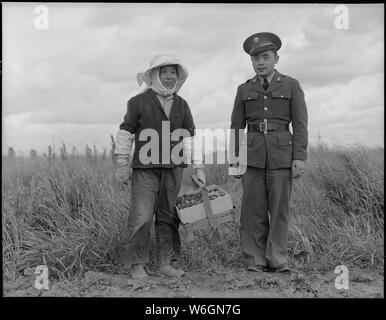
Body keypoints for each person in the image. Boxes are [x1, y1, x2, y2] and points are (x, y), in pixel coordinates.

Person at [114, 54, 205, 279]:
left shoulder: (182, 105)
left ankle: (164, 263)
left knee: (167, 216)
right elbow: (125, 133)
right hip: (145, 168)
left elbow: (190, 139)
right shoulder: (138, 102)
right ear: (154, 75)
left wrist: (198, 168)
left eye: (172, 72)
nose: (168, 77)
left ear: (177, 76)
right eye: (163, 72)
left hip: (174, 168)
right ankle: (137, 264)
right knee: (142, 216)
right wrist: (122, 164)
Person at [229, 32, 308, 273]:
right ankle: (255, 260)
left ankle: (277, 258)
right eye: (256, 59)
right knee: (252, 211)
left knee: (279, 210)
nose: (260, 63)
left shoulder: (291, 85)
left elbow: (301, 123)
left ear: (276, 58)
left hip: (282, 156)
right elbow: (236, 127)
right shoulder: (244, 89)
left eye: (265, 57)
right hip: (252, 158)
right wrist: (235, 161)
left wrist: (299, 156)